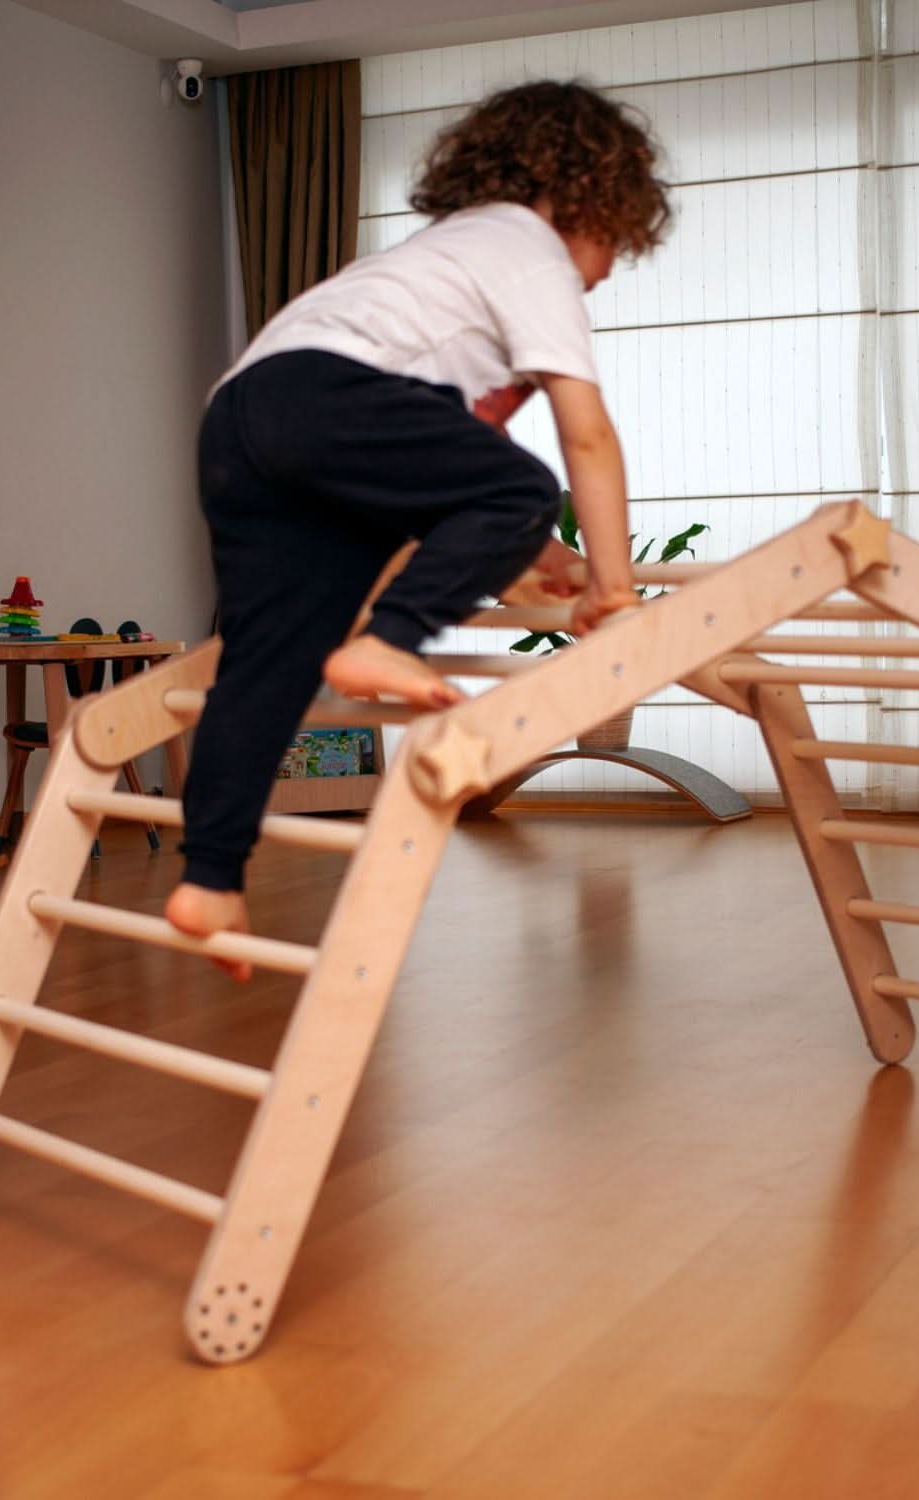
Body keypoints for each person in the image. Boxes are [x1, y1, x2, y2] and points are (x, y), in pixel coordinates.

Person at [164, 79, 671, 976]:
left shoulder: (436, 269)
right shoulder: (527, 245)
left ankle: (209, 876)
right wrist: (614, 588)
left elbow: (445, 489)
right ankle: (388, 640)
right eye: (613, 245)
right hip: (324, 401)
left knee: (268, 661)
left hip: (244, 419)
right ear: (579, 196)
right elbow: (585, 434)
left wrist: (546, 558)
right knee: (525, 484)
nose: (603, 271)